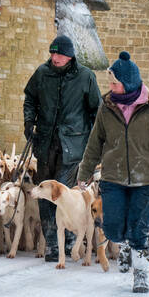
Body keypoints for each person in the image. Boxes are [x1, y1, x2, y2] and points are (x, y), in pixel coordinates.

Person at [76, 51, 149, 294]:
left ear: (128, 83)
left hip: (147, 179)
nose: (110, 87)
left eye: (114, 82)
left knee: (140, 227)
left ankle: (141, 273)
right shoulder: (106, 109)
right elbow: (95, 143)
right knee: (113, 227)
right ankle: (126, 245)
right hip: (114, 178)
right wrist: (84, 172)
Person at [22, 34, 101, 262]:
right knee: (45, 195)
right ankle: (51, 244)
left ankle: (68, 241)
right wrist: (29, 122)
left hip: (73, 146)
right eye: (52, 53)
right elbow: (30, 98)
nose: (54, 57)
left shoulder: (86, 76)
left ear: (70, 56)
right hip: (45, 144)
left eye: (59, 54)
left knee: (66, 196)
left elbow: (97, 111)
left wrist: (95, 143)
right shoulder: (42, 73)